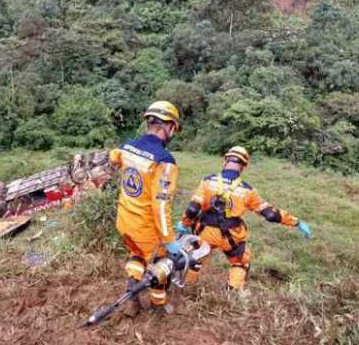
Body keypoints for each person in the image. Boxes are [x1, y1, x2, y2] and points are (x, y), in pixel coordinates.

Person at [177, 146, 312, 290]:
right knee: (240, 263)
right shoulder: (248, 190)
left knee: (195, 258)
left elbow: (193, 208)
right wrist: (296, 222)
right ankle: (231, 293)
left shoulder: (207, 181)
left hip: (205, 232)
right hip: (231, 237)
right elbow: (271, 214)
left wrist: (184, 224)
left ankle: (186, 288)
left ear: (225, 160)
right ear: (243, 166)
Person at [109, 101, 182, 315]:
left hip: (124, 222)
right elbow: (160, 206)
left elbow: (113, 157)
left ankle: (132, 297)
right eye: (174, 129)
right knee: (161, 265)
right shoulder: (165, 161)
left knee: (136, 256)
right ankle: (158, 306)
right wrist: (169, 241)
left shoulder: (127, 147)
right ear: (169, 127)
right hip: (147, 229)